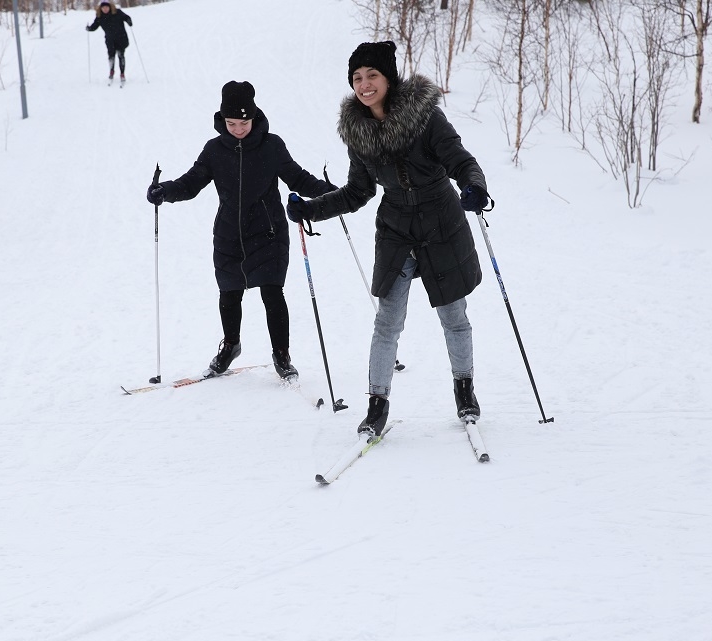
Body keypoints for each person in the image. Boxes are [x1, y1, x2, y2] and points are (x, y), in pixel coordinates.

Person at [285, 40, 490, 436]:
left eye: (372, 75)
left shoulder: (426, 117)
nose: (364, 84)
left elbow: (460, 160)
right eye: (357, 78)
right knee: (387, 321)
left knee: (453, 316)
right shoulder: (358, 132)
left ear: (388, 78)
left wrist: (475, 186)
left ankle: (464, 389)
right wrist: (312, 208)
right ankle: (377, 405)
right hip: (396, 228)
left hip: (441, 222)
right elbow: (357, 192)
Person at [146, 81, 334, 381]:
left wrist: (331, 194)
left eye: (243, 122)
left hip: (268, 232)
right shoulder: (214, 150)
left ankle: (282, 355)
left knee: (273, 293)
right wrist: (164, 191)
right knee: (229, 294)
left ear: (254, 117)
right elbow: (191, 182)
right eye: (231, 123)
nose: (237, 129)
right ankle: (230, 345)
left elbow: (298, 178)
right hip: (229, 234)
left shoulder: (272, 145)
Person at [86, 1, 132, 85]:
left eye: (106, 7)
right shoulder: (100, 16)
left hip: (121, 38)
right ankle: (111, 71)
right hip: (110, 40)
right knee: (111, 56)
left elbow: (126, 17)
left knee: (121, 55)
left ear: (110, 7)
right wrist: (89, 28)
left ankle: (122, 73)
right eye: (103, 8)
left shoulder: (117, 12)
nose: (105, 9)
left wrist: (129, 21)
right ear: (101, 8)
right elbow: (95, 26)